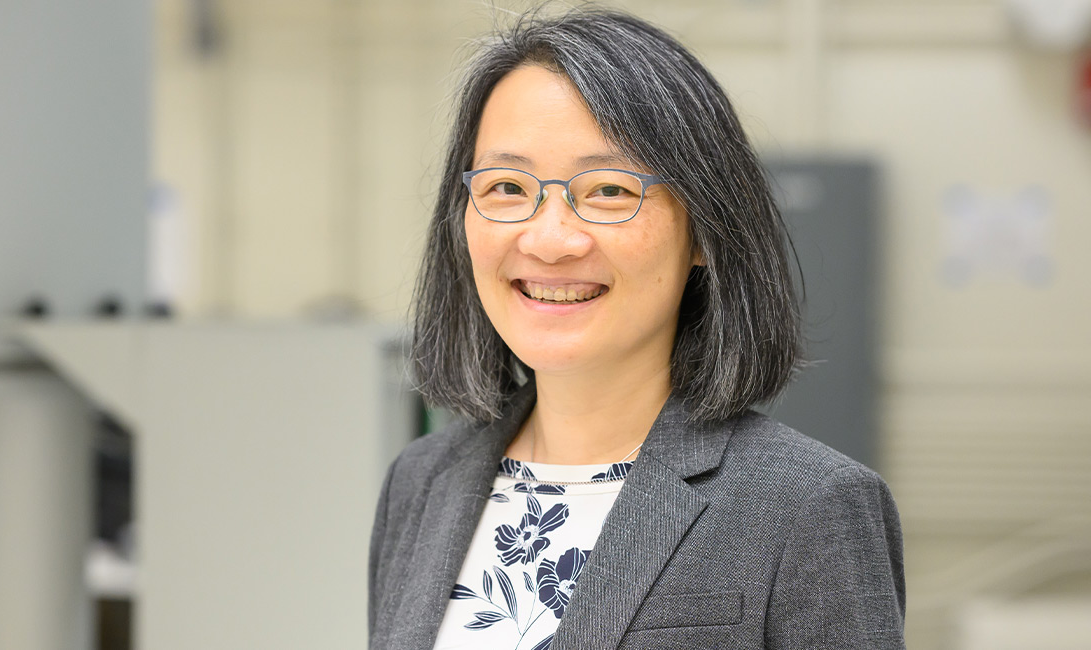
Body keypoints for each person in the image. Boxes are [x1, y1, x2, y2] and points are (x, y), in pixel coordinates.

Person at [368, 8, 904, 650]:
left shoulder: (805, 506)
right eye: (508, 186)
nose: (550, 240)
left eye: (609, 191)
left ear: (704, 231)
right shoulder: (422, 481)